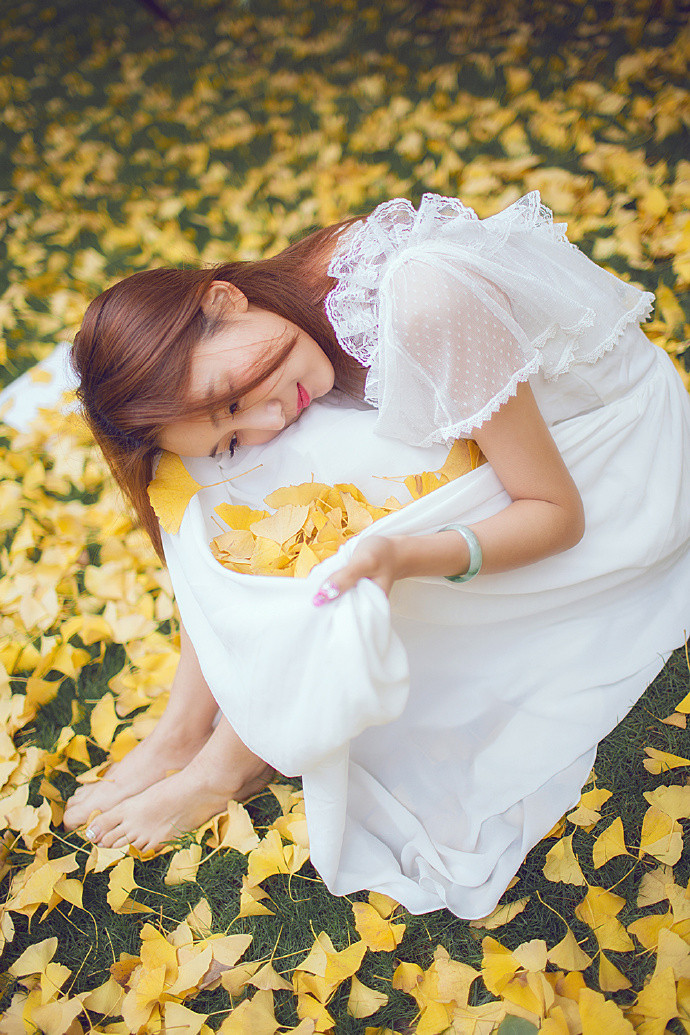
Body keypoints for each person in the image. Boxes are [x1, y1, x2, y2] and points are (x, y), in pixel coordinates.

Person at [63, 192, 690, 919]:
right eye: (231, 424)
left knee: (313, 508)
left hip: (612, 469)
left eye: (230, 395)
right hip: (519, 450)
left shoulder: (422, 299)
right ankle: (184, 727)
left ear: (223, 298)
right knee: (200, 473)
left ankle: (226, 765)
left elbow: (557, 516)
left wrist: (401, 556)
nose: (268, 417)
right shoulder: (284, 314)